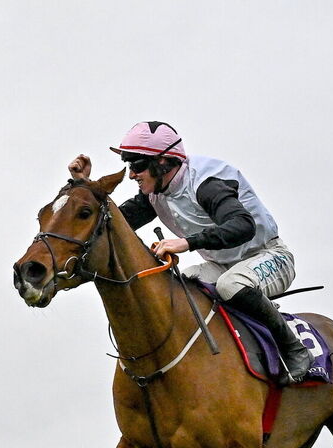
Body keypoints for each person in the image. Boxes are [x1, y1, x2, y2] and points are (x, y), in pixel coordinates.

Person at [68, 121, 313, 384]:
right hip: (222, 265)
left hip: (269, 256)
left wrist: (186, 243)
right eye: (129, 166)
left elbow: (243, 225)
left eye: (137, 166)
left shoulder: (206, 183)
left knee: (230, 285)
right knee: (177, 288)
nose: (131, 175)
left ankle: (294, 349)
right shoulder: (157, 191)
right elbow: (111, 222)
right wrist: (85, 185)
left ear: (163, 163)